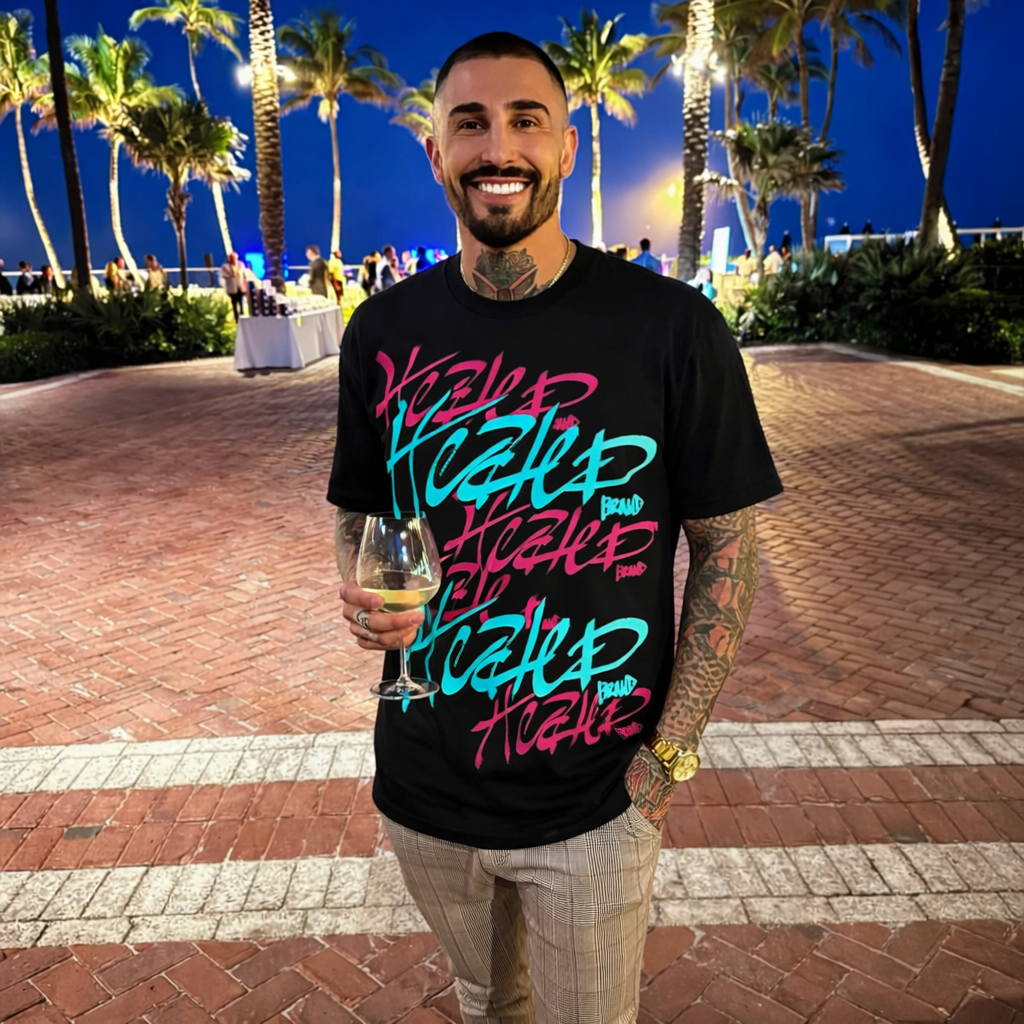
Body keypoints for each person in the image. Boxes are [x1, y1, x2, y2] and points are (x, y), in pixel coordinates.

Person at [328, 31, 781, 1024]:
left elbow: (725, 546)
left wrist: (664, 763)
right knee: (488, 1004)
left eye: (526, 119)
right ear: (436, 152)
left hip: (594, 802)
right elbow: (363, 508)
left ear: (566, 147)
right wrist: (364, 592)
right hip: (426, 785)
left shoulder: (671, 328)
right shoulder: (382, 332)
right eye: (470, 122)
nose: (500, 147)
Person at [219, 252, 246, 321]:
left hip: (240, 287)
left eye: (235, 258)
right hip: (232, 289)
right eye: (232, 258)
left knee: (241, 303)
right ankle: (236, 319)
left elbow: (244, 274)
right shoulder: (225, 267)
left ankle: (242, 316)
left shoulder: (240, 265)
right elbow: (222, 275)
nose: (234, 260)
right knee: (234, 304)